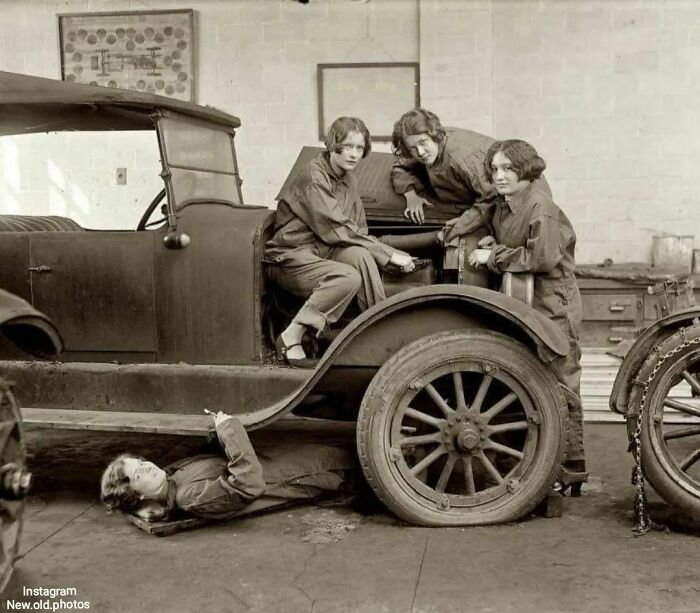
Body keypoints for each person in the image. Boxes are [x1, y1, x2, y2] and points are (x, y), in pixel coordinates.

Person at [468, 139, 586, 494]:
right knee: (530, 378)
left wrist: (494, 258)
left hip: (554, 301)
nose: (500, 176)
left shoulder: (540, 206)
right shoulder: (506, 205)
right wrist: (491, 240)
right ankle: (539, 464)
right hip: (527, 300)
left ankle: (571, 467)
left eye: (508, 169)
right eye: (495, 170)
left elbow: (543, 258)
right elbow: (506, 234)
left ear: (526, 171)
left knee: (561, 379)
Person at [265, 116, 415, 366]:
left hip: (323, 250)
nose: (353, 154)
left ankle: (378, 332)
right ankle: (292, 335)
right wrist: (388, 254)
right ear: (333, 145)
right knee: (347, 277)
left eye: (359, 148)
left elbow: (358, 231)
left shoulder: (349, 179)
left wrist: (389, 254)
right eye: (347, 146)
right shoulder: (314, 176)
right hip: (291, 256)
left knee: (361, 255)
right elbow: (334, 226)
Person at [100, 411, 356, 522]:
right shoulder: (186, 496)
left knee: (343, 450)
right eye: (138, 474)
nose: (147, 467)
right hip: (297, 476)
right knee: (350, 460)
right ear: (138, 494)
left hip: (278, 462)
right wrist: (228, 429)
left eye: (142, 462)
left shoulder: (171, 475)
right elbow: (248, 484)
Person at [390, 108, 497, 240]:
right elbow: (399, 166)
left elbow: (490, 200)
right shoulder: (419, 140)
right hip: (465, 204)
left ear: (435, 135)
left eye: (423, 142)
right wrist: (410, 195)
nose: (421, 152)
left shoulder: (463, 157)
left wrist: (452, 231)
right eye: (412, 148)